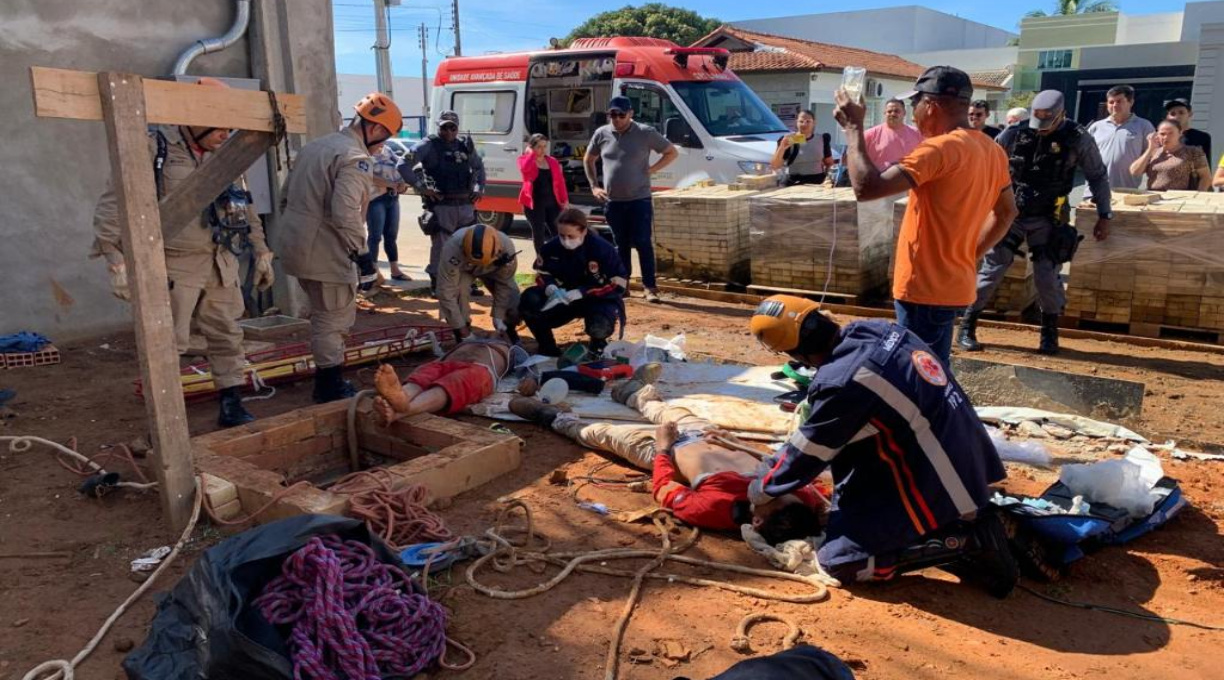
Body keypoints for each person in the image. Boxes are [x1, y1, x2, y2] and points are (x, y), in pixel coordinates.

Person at [746, 295, 1018, 597]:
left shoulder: (843, 382)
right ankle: (962, 516)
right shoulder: (878, 329)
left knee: (841, 562)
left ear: (795, 353)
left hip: (941, 472)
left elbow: (808, 453)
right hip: (967, 453)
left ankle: (964, 540)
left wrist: (762, 489)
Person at [92, 77, 276, 428]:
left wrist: (262, 250)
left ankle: (231, 402)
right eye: (220, 125)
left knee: (226, 334)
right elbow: (114, 202)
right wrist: (114, 259)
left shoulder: (226, 156)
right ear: (195, 117)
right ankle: (166, 415)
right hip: (175, 264)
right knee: (168, 341)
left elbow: (245, 206)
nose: (227, 133)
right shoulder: (155, 148)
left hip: (220, 261)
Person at [508, 364, 823, 542]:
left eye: (767, 502)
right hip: (708, 435)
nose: (770, 490)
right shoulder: (803, 494)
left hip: (668, 452)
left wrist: (662, 447)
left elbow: (664, 488)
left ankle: (552, 417)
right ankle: (635, 393)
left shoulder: (714, 508)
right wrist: (729, 441)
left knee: (600, 434)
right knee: (666, 409)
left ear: (755, 521)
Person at [833, 65, 1017, 365]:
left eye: (914, 104)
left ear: (930, 106)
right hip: (954, 283)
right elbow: (1007, 212)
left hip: (923, 288)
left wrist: (854, 129)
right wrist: (969, 255)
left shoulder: (937, 150)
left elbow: (867, 188)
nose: (913, 113)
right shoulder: (991, 149)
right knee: (932, 368)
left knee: (920, 376)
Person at [960, 90, 1112, 356]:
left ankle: (1049, 335)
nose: (1040, 128)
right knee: (992, 270)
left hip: (1049, 217)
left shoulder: (1078, 139)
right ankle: (967, 326)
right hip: (1011, 213)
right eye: (1037, 120)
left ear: (1061, 115)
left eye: (1047, 121)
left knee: (1047, 277)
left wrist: (1105, 214)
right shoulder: (1013, 133)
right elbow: (986, 168)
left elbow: (1097, 175)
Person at [278, 92, 402, 403]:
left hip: (297, 248)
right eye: (384, 139)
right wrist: (363, 258)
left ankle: (328, 379)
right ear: (373, 130)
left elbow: (285, 197)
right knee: (333, 320)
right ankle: (328, 386)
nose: (382, 146)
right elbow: (345, 213)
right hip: (326, 252)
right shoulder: (355, 158)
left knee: (322, 314)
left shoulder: (316, 147)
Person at [584, 95, 678, 304]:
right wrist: (594, 186)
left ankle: (650, 287)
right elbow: (589, 159)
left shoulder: (645, 133)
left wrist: (651, 169)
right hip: (613, 201)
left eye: (621, 115)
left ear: (631, 114)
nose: (616, 119)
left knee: (643, 243)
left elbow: (671, 152)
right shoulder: (602, 133)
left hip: (639, 199)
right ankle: (623, 285)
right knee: (621, 244)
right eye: (612, 115)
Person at [519, 208, 627, 356]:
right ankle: (547, 346)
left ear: (583, 231)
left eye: (571, 236)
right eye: (562, 236)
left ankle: (597, 344)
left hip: (597, 299)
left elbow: (619, 284)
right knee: (529, 298)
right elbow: (542, 272)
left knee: (600, 325)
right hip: (563, 298)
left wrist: (582, 292)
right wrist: (549, 286)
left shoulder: (602, 249)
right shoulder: (551, 248)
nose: (566, 241)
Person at [403, 110, 487, 296]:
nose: (448, 131)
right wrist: (421, 188)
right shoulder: (428, 145)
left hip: (465, 205)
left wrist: (479, 190)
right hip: (442, 206)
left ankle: (467, 282)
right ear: (439, 127)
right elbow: (403, 164)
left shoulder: (466, 146)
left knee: (468, 245)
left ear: (458, 128)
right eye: (444, 127)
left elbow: (479, 167)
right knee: (441, 246)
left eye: (452, 127)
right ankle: (437, 284)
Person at [371, 338, 525, 424]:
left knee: (454, 383)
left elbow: (529, 368)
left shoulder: (513, 349)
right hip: (444, 363)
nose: (494, 331)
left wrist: (531, 381)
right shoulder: (469, 340)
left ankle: (400, 412)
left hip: (479, 367)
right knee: (424, 374)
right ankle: (403, 396)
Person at [436, 224, 521, 341]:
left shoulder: (506, 248)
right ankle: (462, 334)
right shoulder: (452, 249)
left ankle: (509, 331)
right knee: (458, 293)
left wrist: (498, 316)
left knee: (513, 300)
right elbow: (445, 291)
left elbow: (504, 284)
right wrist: (462, 329)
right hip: (465, 269)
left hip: (493, 269)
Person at [1086, 85, 1156, 198]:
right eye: (1111, 102)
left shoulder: (1144, 126)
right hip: (1094, 191)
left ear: (1131, 102)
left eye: (1119, 101)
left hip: (1126, 192)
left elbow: (1152, 155)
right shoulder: (1096, 127)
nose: (1114, 105)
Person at [1129, 119, 1212, 192]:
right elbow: (1134, 172)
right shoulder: (1153, 152)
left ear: (1180, 133)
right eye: (1162, 134)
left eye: (1170, 133)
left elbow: (1206, 178)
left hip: (1179, 199)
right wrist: (1150, 149)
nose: (1166, 137)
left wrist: (1198, 196)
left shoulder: (1193, 151)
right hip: (1153, 198)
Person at [518, 133, 569, 253]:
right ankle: (541, 261)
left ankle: (560, 259)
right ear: (532, 147)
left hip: (552, 202)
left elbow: (560, 182)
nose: (542, 150)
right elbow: (525, 170)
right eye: (539, 147)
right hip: (534, 204)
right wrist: (530, 154)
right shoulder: (524, 160)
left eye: (544, 146)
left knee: (557, 232)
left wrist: (565, 200)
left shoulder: (552, 161)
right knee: (539, 233)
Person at [367, 141, 410, 282]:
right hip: (375, 199)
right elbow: (368, 176)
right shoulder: (364, 153)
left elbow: (400, 167)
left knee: (391, 236)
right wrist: (391, 184)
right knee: (375, 236)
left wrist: (402, 183)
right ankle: (372, 271)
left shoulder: (388, 150)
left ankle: (395, 269)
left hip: (392, 198)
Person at [770, 109, 834, 184]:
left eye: (808, 121)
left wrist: (829, 177)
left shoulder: (822, 139)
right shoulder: (789, 139)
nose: (804, 124)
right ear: (796, 122)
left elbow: (829, 163)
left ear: (814, 123)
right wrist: (782, 148)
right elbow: (775, 166)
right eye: (801, 121)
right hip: (795, 182)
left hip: (818, 182)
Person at [862, 99, 923, 171]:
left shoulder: (917, 134)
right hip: (878, 180)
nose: (893, 114)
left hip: (908, 179)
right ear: (884, 113)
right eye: (889, 111)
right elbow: (857, 158)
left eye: (897, 111)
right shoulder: (869, 135)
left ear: (904, 113)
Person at [1165, 98, 1211, 164]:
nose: (1177, 116)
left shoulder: (1202, 137)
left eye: (1181, 112)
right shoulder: (1161, 138)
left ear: (1190, 114)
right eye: (1172, 114)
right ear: (1168, 116)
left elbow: (1206, 167)